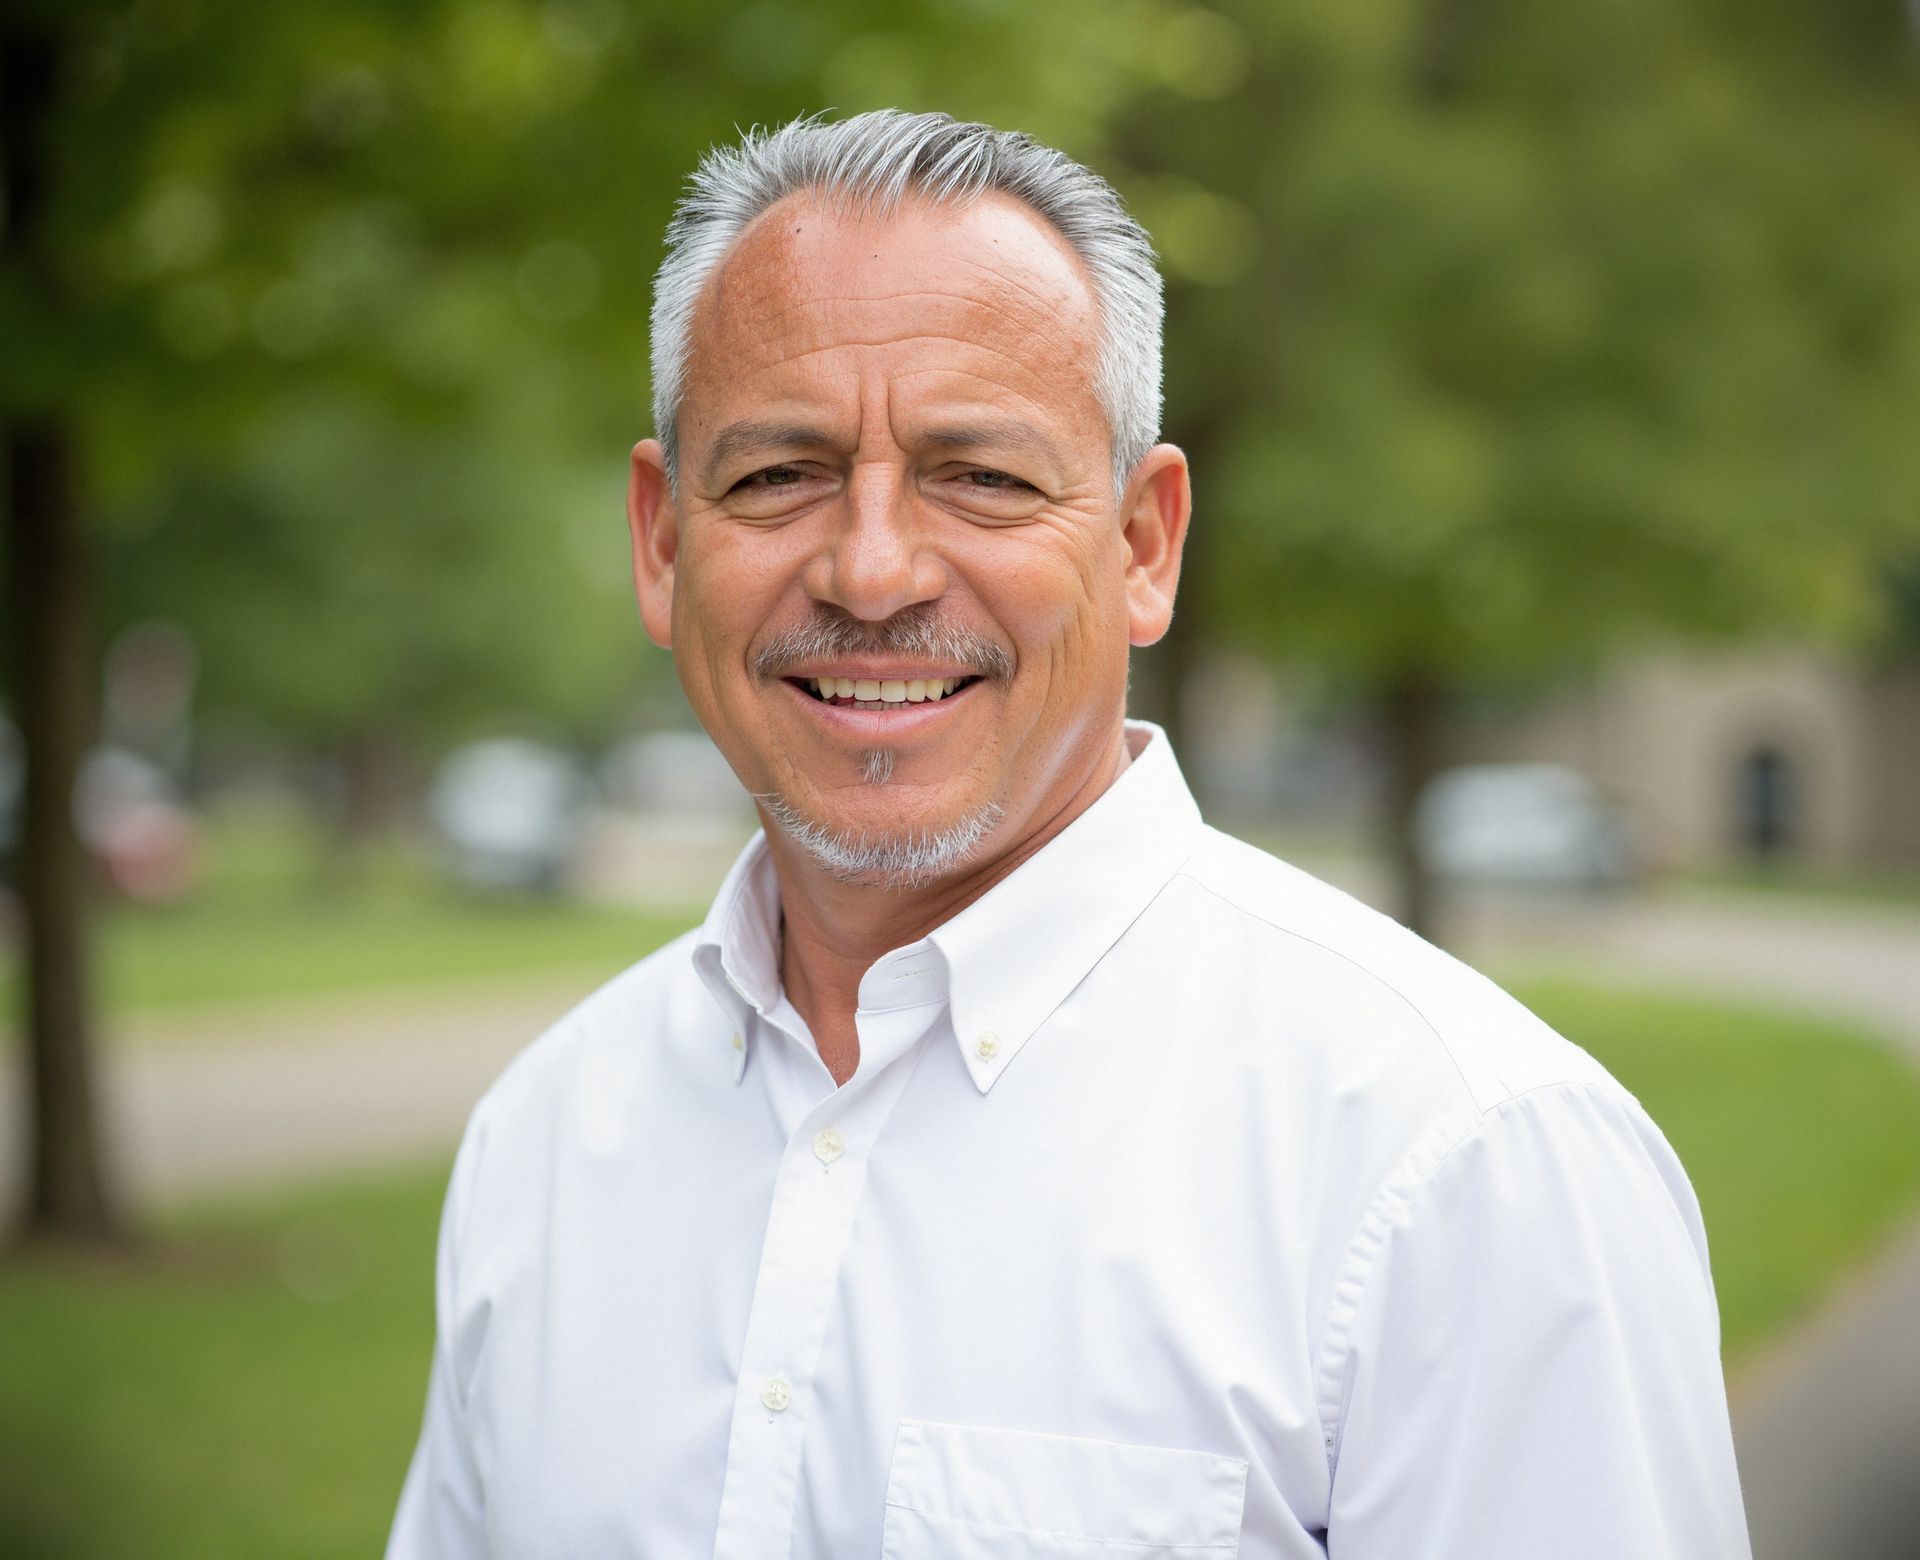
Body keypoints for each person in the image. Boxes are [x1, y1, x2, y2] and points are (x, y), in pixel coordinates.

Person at [387, 110, 1750, 1559]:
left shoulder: (1462, 1166)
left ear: (1145, 544)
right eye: (779, 475)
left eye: (982, 475)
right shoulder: (544, 1141)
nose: (869, 570)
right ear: (664, 543)